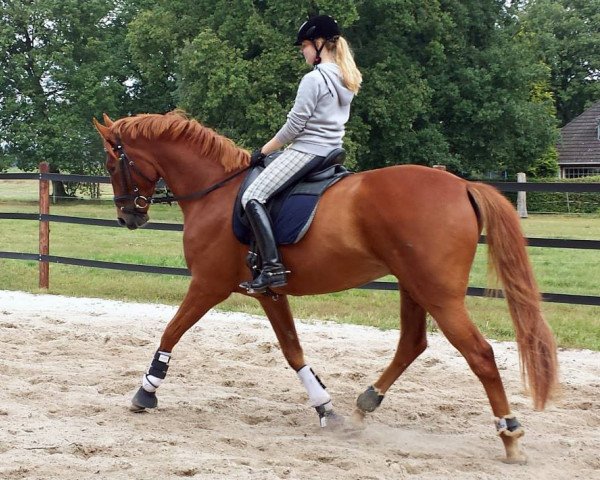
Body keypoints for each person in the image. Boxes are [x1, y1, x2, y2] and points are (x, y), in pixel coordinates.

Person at [240, 14, 362, 293]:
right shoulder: (347, 78)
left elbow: (294, 126)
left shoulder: (314, 79)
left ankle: (271, 267)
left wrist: (263, 150)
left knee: (252, 196)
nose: (302, 52)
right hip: (331, 150)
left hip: (309, 149)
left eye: (304, 46)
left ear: (319, 44)